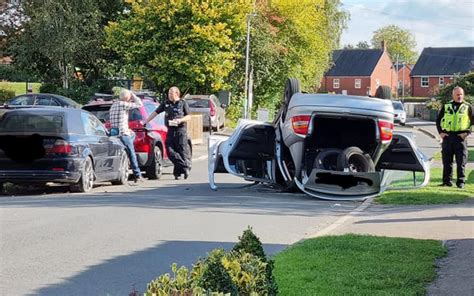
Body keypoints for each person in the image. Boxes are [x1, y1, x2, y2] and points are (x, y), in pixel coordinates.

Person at [143, 86, 191, 180]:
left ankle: (178, 173)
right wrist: (146, 121)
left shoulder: (182, 103)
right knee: (170, 152)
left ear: (177, 94)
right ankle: (186, 166)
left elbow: (189, 116)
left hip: (180, 130)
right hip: (170, 130)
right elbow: (155, 112)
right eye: (169, 93)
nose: (169, 95)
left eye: (171, 93)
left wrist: (180, 120)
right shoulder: (166, 104)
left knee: (181, 151)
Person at [436, 86, 473, 189]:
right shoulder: (446, 106)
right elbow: (438, 120)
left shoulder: (468, 106)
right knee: (447, 161)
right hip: (448, 137)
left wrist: (467, 133)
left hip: (461, 137)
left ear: (463, 95)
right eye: (457, 94)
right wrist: (441, 132)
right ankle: (446, 181)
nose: (459, 96)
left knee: (461, 161)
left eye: (461, 94)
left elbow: (473, 122)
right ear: (453, 95)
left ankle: (461, 182)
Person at [110, 89, 144, 183]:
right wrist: (133, 95)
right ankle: (137, 174)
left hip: (114, 134)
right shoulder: (123, 104)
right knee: (132, 152)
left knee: (132, 133)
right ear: (127, 98)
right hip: (123, 134)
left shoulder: (113, 105)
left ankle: (126, 151)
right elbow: (139, 104)